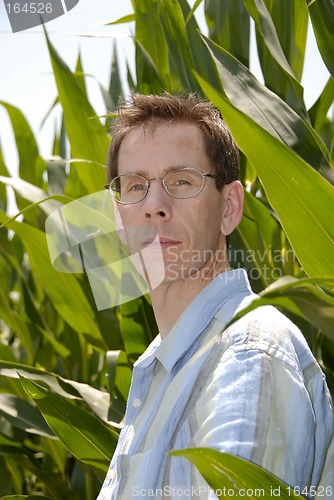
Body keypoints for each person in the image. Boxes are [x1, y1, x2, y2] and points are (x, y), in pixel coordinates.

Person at [97, 93, 334, 499]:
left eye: (182, 181)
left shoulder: (246, 353)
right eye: (135, 186)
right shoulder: (164, 367)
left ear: (229, 207)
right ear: (119, 218)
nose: (154, 206)